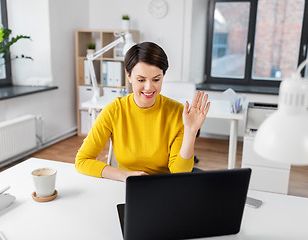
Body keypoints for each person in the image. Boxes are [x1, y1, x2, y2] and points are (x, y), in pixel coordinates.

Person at [75, 42, 210, 182]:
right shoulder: (114, 111)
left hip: (163, 187)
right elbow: (82, 160)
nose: (149, 87)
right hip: (126, 186)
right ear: (128, 76)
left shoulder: (178, 113)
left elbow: (179, 173)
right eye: (141, 79)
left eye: (156, 79)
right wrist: (124, 175)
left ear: (163, 76)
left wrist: (190, 131)